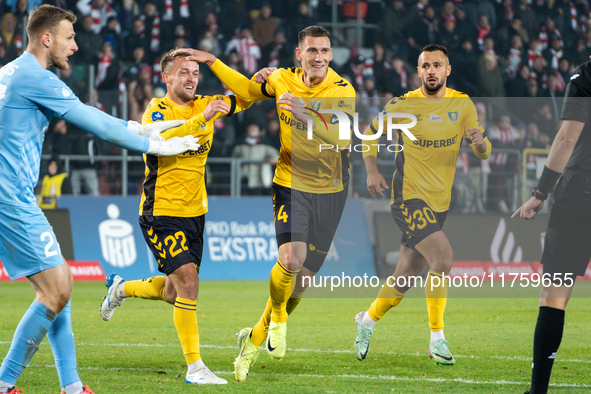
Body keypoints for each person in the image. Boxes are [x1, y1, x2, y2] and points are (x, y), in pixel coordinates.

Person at [0, 6, 199, 394]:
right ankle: (5, 383)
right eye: (69, 37)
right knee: (57, 289)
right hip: (10, 198)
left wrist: (145, 128)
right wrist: (159, 144)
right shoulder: (35, 77)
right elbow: (98, 125)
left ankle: (72, 385)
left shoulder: (9, 72)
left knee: (58, 287)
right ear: (46, 38)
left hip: (11, 195)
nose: (75, 46)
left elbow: (101, 120)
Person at [175, 25, 355, 382]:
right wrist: (212, 61)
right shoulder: (283, 80)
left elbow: (343, 137)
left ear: (331, 55)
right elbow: (246, 90)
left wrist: (305, 115)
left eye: (324, 51)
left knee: (301, 283)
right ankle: (280, 320)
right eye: (311, 51)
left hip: (332, 191)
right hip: (290, 183)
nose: (318, 57)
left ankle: (255, 336)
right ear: (299, 55)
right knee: (290, 259)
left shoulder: (342, 89)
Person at [99, 48, 255, 385]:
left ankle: (121, 289)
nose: (191, 78)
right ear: (166, 77)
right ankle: (195, 368)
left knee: (174, 292)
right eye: (183, 72)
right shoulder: (157, 110)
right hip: (162, 211)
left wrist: (214, 61)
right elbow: (158, 140)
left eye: (196, 73)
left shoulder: (205, 101)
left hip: (196, 212)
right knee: (189, 284)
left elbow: (248, 94)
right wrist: (203, 118)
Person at [353, 44, 491, 366]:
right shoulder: (404, 105)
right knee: (442, 258)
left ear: (448, 70)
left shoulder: (463, 104)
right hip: (408, 198)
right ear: (418, 72)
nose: (431, 71)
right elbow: (369, 135)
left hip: (439, 204)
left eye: (437, 65)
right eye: (425, 65)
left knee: (403, 279)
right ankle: (437, 339)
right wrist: (372, 170)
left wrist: (481, 145)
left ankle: (366, 322)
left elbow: (482, 149)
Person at [511, 60, 591, 394]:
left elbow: (567, 138)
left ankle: (537, 392)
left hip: (580, 193)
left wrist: (540, 192)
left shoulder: (585, 75)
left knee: (554, 294)